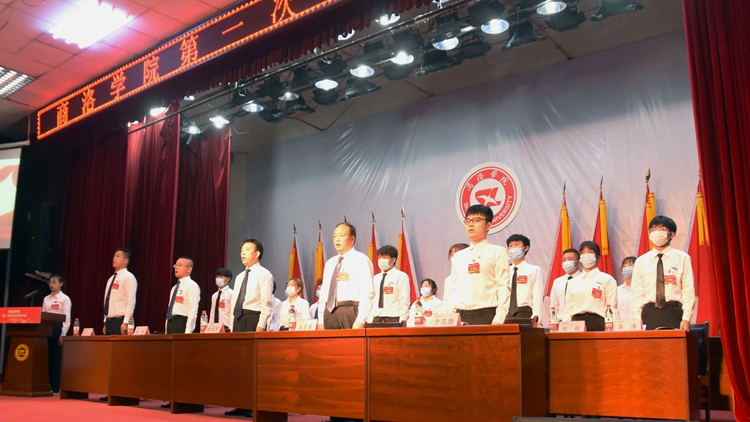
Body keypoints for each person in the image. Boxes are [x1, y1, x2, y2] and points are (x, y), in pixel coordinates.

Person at [226, 239, 273, 417]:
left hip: (253, 318)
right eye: (241, 250)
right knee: (239, 365)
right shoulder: (239, 277)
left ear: (257, 253)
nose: (243, 253)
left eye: (247, 249)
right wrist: (232, 325)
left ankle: (254, 406)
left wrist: (261, 326)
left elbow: (266, 303)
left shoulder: (264, 274)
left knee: (253, 366)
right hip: (239, 319)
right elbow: (234, 303)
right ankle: (241, 403)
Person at [447, 205, 511, 325]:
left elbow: (503, 286)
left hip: (487, 315)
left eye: (476, 220)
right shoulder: (458, 256)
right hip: (461, 315)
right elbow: (454, 288)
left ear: (489, 225)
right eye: (468, 221)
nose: (471, 224)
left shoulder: (497, 252)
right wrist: (451, 315)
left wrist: (499, 318)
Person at [631, 216, 696, 330]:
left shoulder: (682, 258)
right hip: (649, 313)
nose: (657, 233)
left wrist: (686, 318)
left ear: (672, 234)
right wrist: (637, 319)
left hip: (673, 311)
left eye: (662, 229)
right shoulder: (641, 261)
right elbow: (637, 293)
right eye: (653, 229)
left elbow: (688, 289)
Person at [317, 222, 374, 330]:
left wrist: (360, 320)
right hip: (329, 312)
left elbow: (368, 292)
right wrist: (321, 319)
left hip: (350, 311)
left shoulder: (361, 260)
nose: (337, 239)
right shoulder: (330, 263)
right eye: (335, 236)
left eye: (341, 236)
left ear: (352, 239)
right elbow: (324, 293)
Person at [562, 241, 618, 331]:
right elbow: (568, 308)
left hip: (598, 322)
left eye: (590, 252)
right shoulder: (573, 282)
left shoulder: (607, 279)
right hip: (576, 322)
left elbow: (612, 307)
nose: (586, 255)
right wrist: (565, 326)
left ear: (598, 257)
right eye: (583, 253)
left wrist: (612, 328)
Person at [42, 274, 70, 394]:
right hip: (46, 329)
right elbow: (43, 315)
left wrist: (63, 334)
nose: (51, 284)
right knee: (45, 357)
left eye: (54, 282)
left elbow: (67, 318)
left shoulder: (64, 299)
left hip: (57, 328)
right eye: (50, 282)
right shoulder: (46, 299)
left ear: (61, 284)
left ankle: (55, 386)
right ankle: (45, 384)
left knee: (55, 358)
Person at [369, 245, 409, 324]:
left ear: (393, 260)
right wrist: (369, 318)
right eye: (379, 258)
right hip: (376, 317)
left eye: (384, 258)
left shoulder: (401, 276)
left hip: (393, 317)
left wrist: (403, 320)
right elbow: (371, 300)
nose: (381, 261)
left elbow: (404, 300)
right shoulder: (375, 278)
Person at [505, 234, 542, 320]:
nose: (513, 248)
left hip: (525, 312)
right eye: (510, 246)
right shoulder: (505, 270)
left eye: (517, 245)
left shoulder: (534, 270)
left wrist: (536, 318)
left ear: (526, 248)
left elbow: (537, 296)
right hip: (505, 313)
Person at [102, 248, 137, 335]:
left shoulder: (128, 277)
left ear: (125, 261)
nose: (114, 258)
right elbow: (107, 301)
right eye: (114, 256)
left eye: (117, 256)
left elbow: (130, 301)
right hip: (109, 321)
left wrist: (126, 322)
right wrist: (105, 321)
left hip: (120, 320)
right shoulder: (111, 279)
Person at [165, 257, 201, 334]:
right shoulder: (174, 288)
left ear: (188, 269)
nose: (176, 267)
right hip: (171, 322)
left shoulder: (192, 286)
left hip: (182, 323)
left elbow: (193, 310)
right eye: (175, 265)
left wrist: (188, 332)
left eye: (180, 265)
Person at [548, 248, 581, 320]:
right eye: (564, 260)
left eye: (570, 259)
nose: (566, 262)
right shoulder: (557, 282)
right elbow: (554, 304)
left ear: (578, 262)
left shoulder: (583, 279)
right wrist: (553, 320)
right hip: (561, 320)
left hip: (578, 320)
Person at [442, 243, 468, 308]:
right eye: (452, 254)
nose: (454, 257)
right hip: (452, 313)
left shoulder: (473, 276)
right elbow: (446, 302)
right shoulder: (448, 280)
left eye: (457, 253)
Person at [209, 268, 234, 332]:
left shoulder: (231, 294)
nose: (218, 279)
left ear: (228, 279)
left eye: (221, 276)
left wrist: (231, 327)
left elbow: (233, 312)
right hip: (214, 328)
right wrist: (210, 326)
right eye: (217, 276)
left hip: (226, 327)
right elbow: (212, 313)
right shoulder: (214, 295)